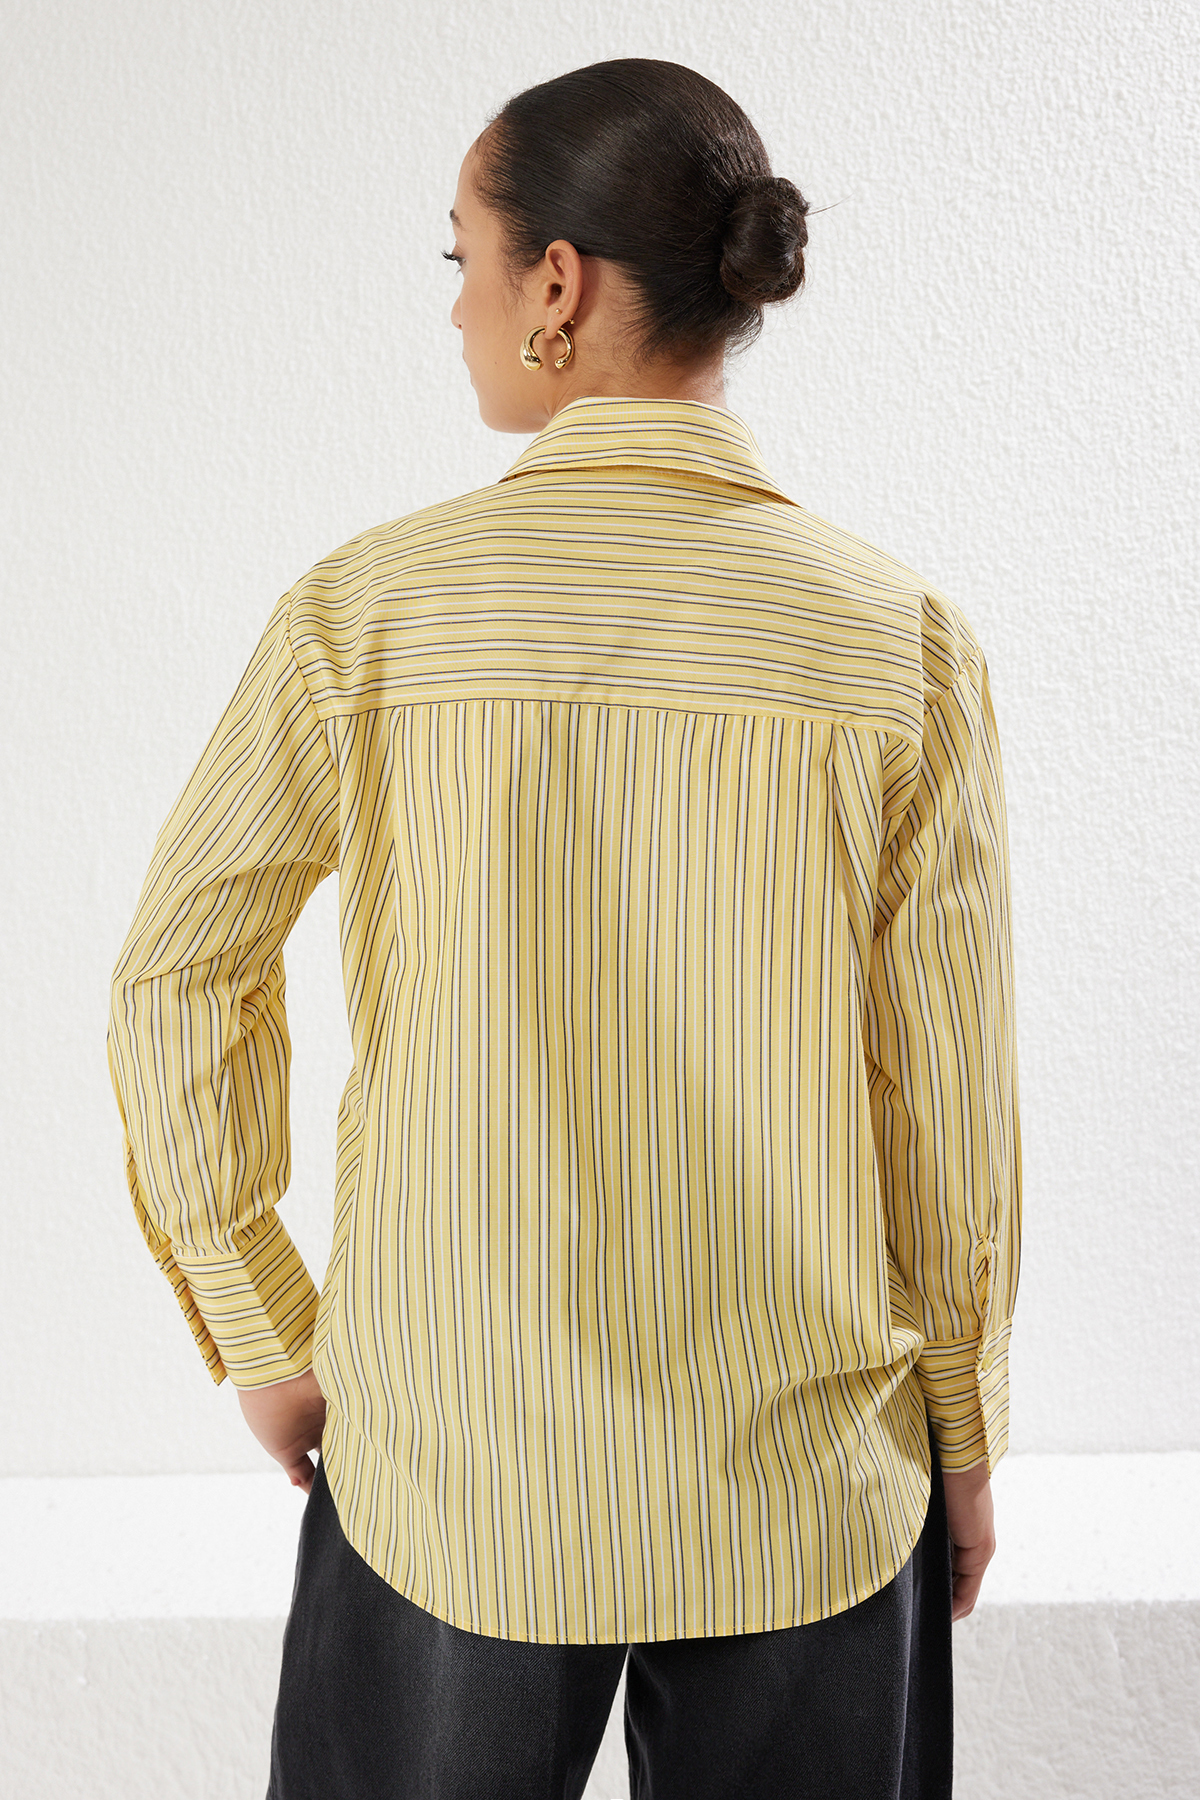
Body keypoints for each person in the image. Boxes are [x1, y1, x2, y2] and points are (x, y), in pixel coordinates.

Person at [106, 57, 1020, 1800]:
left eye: (458, 257)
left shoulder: (367, 615)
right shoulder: (897, 639)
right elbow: (944, 1095)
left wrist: (259, 1323)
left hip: (449, 1470)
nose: (453, 304)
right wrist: (962, 1427)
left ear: (557, 284)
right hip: (808, 1483)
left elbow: (178, 974)